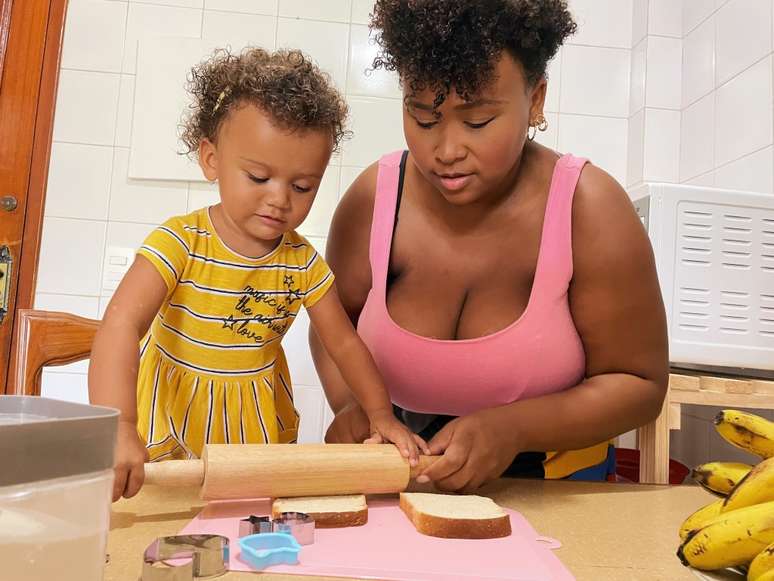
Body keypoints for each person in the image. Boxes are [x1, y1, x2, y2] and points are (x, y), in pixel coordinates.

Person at [310, 0, 669, 492]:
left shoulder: (590, 208)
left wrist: (513, 428)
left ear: (536, 99)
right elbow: (331, 326)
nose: (446, 150)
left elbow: (639, 385)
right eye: (423, 117)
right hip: (400, 485)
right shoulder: (375, 199)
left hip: (553, 488)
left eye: (477, 121)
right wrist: (353, 407)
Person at [89, 47, 428, 502]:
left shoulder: (302, 262)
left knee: (242, 518)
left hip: (252, 418)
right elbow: (121, 324)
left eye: (302, 186)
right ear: (211, 159)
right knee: (164, 512)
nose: (279, 199)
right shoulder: (181, 242)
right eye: (258, 177)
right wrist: (118, 424)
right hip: (171, 411)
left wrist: (381, 415)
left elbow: (343, 342)